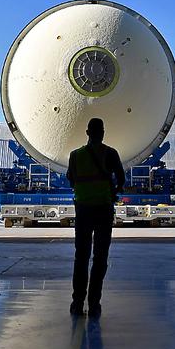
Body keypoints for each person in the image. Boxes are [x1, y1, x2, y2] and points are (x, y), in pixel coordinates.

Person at [66, 117, 126, 317]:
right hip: (103, 209)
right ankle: (94, 304)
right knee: (100, 258)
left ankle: (76, 303)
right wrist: (112, 191)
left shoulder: (75, 156)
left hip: (83, 210)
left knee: (81, 257)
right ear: (102, 132)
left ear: (87, 132)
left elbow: (71, 179)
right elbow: (121, 178)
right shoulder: (110, 153)